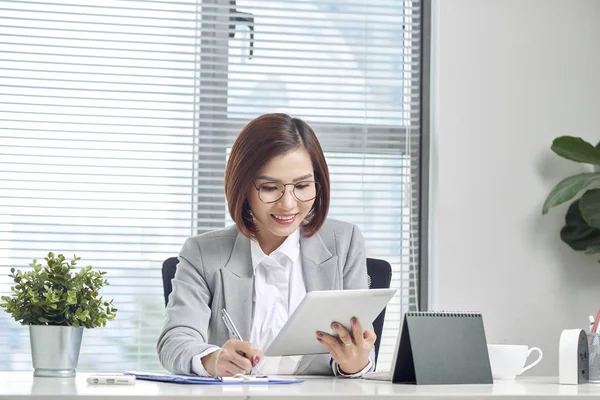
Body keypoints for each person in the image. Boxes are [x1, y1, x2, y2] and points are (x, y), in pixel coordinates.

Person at [157, 113, 376, 377]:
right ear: (243, 188)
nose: (288, 204)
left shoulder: (344, 242)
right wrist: (213, 359)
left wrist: (354, 364)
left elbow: (360, 345)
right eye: (270, 187)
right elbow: (175, 340)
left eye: (303, 185)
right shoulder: (203, 253)